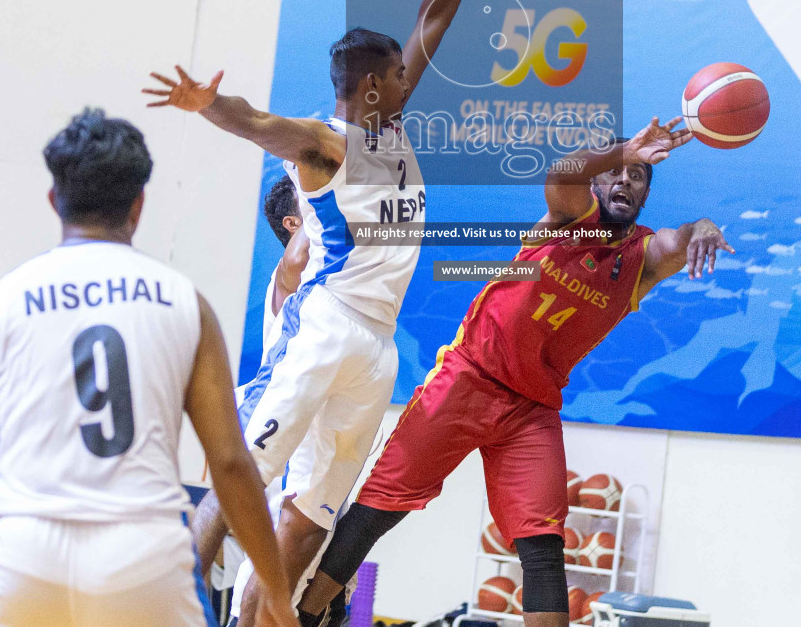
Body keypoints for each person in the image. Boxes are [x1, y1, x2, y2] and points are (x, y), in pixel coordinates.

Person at [144, 0, 522, 627]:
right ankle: (169, 608)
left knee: (312, 514)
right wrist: (207, 107)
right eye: (396, 74)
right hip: (327, 327)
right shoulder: (325, 142)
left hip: (376, 348)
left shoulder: (391, 127)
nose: (410, 79)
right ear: (368, 86)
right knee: (245, 471)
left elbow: (434, 20)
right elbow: (256, 122)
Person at [295, 118, 732, 627]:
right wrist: (625, 147)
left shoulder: (641, 258)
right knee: (378, 509)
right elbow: (560, 174)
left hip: (532, 408)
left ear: (644, 195)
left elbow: (678, 241)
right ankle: (306, 615)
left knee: (544, 547)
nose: (624, 182)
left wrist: (702, 227)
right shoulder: (573, 216)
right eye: (614, 172)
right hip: (469, 376)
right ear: (596, 183)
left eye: (637, 176)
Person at [0, 109, 296, 627]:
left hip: (23, 552)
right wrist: (277, 594)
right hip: (144, 558)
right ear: (139, 204)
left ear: (53, 199)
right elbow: (232, 465)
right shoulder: (185, 305)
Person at [191, 174, 310, 611]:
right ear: (294, 223)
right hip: (276, 399)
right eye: (312, 200)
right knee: (253, 532)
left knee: (294, 554)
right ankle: (176, 604)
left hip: (298, 408)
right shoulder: (296, 262)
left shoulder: (323, 263)